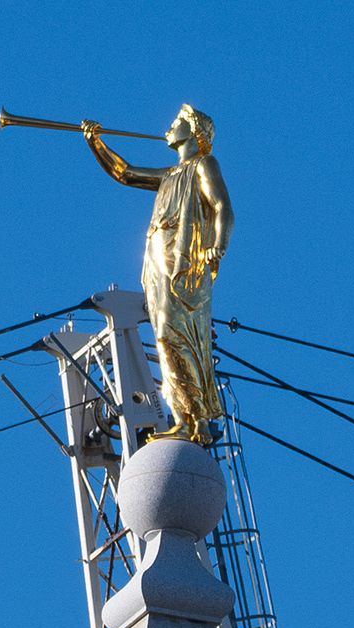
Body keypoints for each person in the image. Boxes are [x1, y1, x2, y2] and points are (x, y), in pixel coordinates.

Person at [82, 108, 232, 443]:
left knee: (173, 335)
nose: (169, 125)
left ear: (194, 132)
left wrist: (217, 245)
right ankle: (186, 419)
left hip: (183, 258)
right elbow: (126, 173)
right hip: (157, 257)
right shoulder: (170, 174)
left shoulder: (203, 166)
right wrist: (96, 142)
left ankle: (198, 422)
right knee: (164, 335)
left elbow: (222, 207)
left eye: (177, 122)